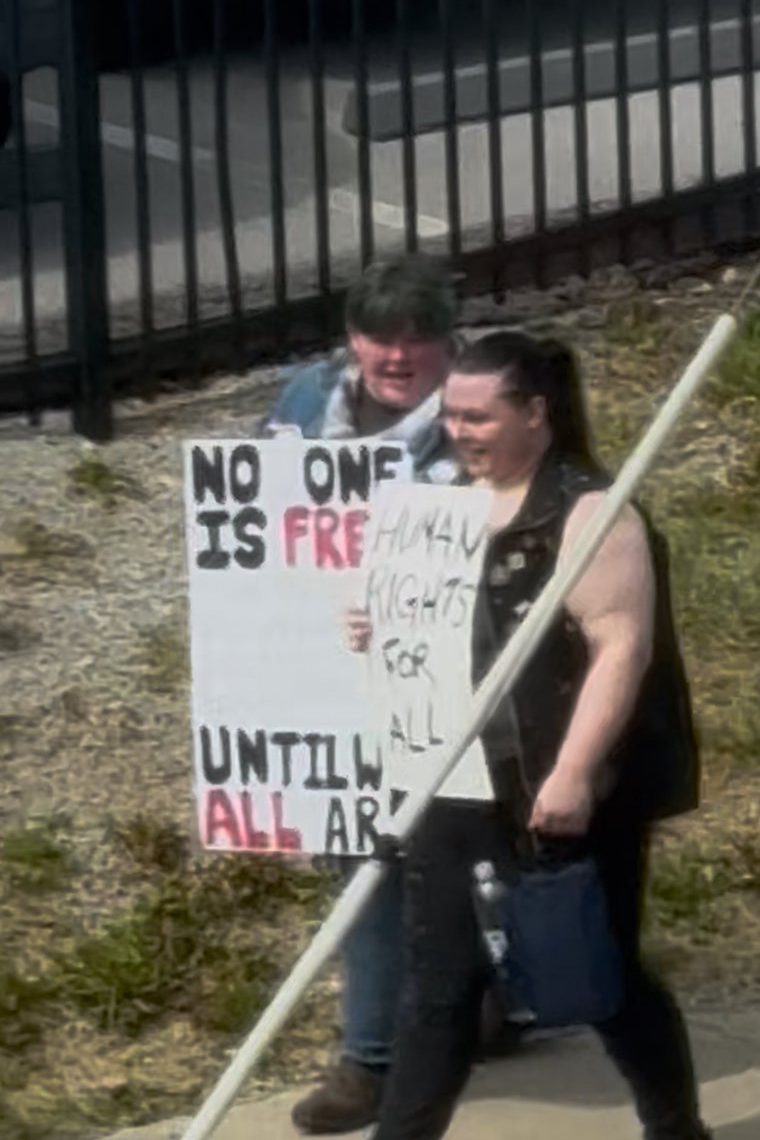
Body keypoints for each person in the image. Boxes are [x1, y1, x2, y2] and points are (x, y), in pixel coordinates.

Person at [352, 329, 711, 1140]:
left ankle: (676, 1127)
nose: (458, 431)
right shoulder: (440, 505)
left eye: (480, 416)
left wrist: (576, 771)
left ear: (536, 413)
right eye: (452, 414)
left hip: (558, 780)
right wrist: (374, 625)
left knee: (594, 969)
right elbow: (429, 628)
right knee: (438, 985)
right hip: (454, 772)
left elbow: (624, 643)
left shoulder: (591, 513)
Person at [256, 253, 459, 1134]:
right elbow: (256, 518)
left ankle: (483, 1003)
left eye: (419, 338)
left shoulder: (478, 404)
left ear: (448, 344)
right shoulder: (305, 401)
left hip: (448, 659)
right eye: (381, 336)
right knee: (364, 858)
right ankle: (369, 1058)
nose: (398, 355)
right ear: (351, 340)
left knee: (467, 858)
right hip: (331, 664)